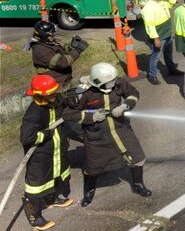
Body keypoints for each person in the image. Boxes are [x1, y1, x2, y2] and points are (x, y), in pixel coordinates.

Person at [65, 63, 151, 207]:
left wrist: (125, 106)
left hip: (121, 128)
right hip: (97, 135)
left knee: (138, 157)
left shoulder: (116, 82)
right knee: (92, 167)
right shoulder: (83, 93)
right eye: (109, 83)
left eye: (113, 81)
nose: (113, 84)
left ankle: (138, 184)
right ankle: (89, 192)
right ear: (98, 82)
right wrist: (92, 117)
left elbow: (133, 93)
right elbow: (68, 114)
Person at [20, 75, 73, 230]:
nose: (55, 95)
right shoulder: (34, 112)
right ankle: (35, 218)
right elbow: (27, 137)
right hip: (40, 155)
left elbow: (64, 102)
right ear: (40, 95)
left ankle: (52, 199)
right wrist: (45, 134)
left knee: (55, 175)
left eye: (55, 92)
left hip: (56, 150)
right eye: (51, 94)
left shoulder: (54, 101)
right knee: (35, 187)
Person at [141, 0, 182, 85]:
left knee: (168, 53)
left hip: (167, 33)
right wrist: (156, 39)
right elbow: (149, 25)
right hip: (159, 36)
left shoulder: (161, 2)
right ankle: (152, 75)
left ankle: (171, 70)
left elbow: (172, 3)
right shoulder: (148, 8)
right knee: (156, 56)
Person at [29, 21, 88, 87]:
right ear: (44, 36)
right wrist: (77, 50)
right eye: (52, 34)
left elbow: (61, 53)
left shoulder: (47, 43)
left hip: (63, 79)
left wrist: (71, 47)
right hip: (55, 83)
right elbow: (62, 63)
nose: (54, 36)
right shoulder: (40, 50)